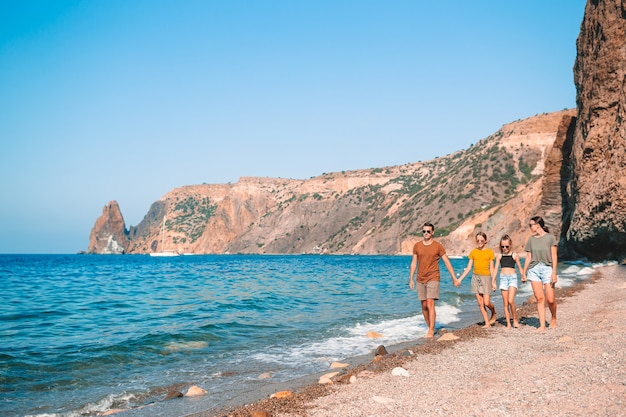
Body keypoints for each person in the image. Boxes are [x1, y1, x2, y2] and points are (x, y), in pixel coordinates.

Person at [409, 223, 459, 338]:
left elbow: (447, 262)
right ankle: (430, 327)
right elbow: (413, 263)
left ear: (433, 232)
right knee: (424, 305)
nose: (426, 233)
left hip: (433, 277)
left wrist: (454, 278)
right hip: (420, 278)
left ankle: (431, 331)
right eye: (424, 231)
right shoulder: (417, 246)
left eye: (428, 231)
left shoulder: (438, 246)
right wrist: (411, 278)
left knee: (430, 302)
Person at [522, 216, 558, 331]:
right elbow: (529, 256)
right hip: (534, 270)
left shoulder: (550, 238)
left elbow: (554, 256)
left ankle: (553, 317)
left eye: (531, 225)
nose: (530, 227)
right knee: (539, 298)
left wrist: (554, 272)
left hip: (547, 268)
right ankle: (542, 325)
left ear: (538, 225)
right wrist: (523, 272)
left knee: (551, 299)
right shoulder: (531, 240)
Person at [457, 232, 497, 328]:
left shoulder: (490, 252)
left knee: (487, 302)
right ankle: (487, 323)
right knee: (480, 303)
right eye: (478, 240)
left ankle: (493, 312)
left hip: (486, 278)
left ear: (485, 241)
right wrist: (460, 279)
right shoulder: (473, 252)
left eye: (481, 240)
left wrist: (494, 282)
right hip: (476, 278)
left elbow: (492, 269)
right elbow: (468, 268)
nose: (479, 242)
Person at [492, 234, 525, 329]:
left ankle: (515, 319)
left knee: (511, 301)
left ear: (510, 245)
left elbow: (520, 267)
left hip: (512, 278)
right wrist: (493, 281)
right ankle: (508, 323)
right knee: (505, 303)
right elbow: (495, 269)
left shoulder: (515, 255)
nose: (505, 248)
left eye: (507, 246)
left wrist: (523, 276)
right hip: (503, 279)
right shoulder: (499, 256)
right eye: (502, 246)